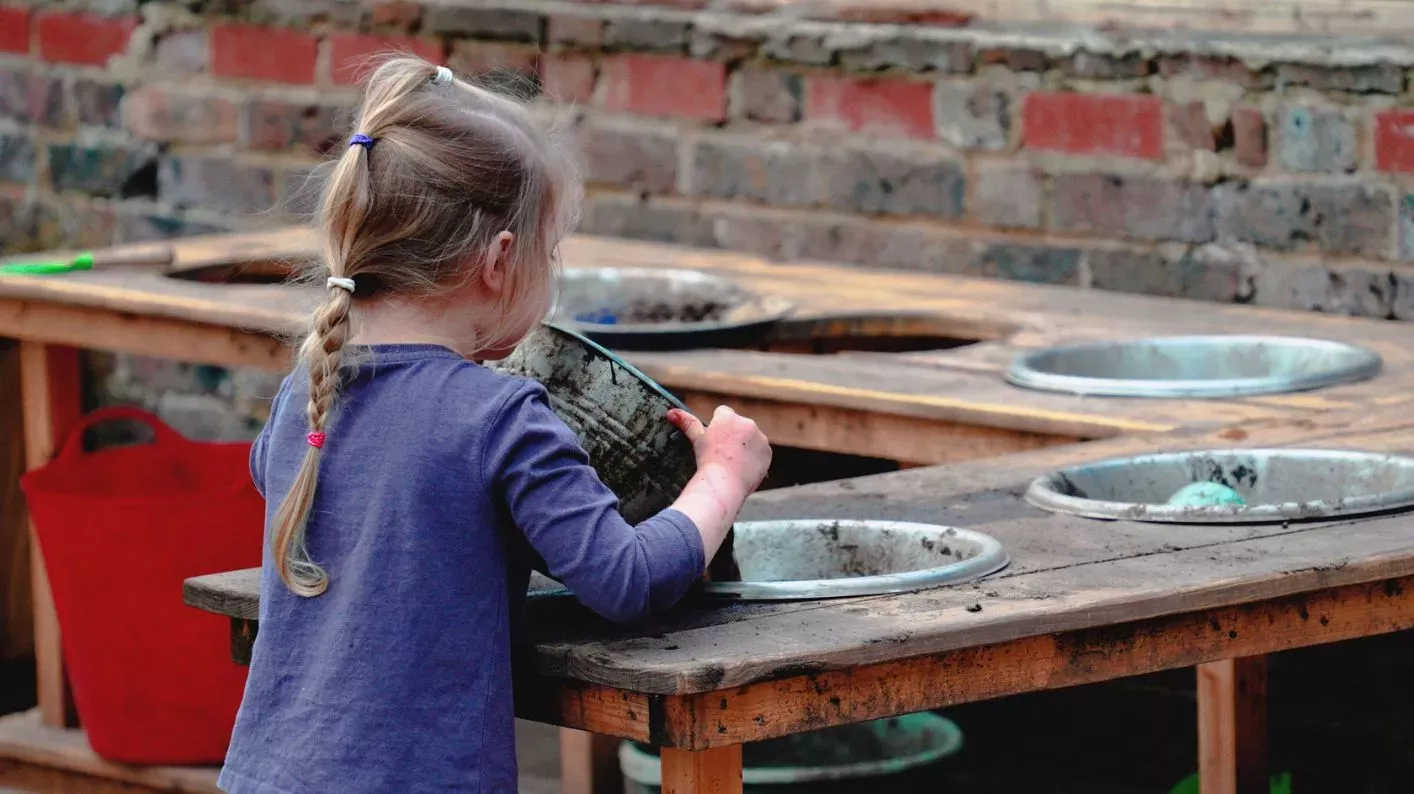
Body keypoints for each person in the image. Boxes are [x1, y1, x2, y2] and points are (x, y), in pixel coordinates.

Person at [218, 56, 772, 794]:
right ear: (500, 261)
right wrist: (721, 478)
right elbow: (625, 577)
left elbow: (290, 474)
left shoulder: (306, 392)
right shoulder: (498, 415)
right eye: (550, 250)